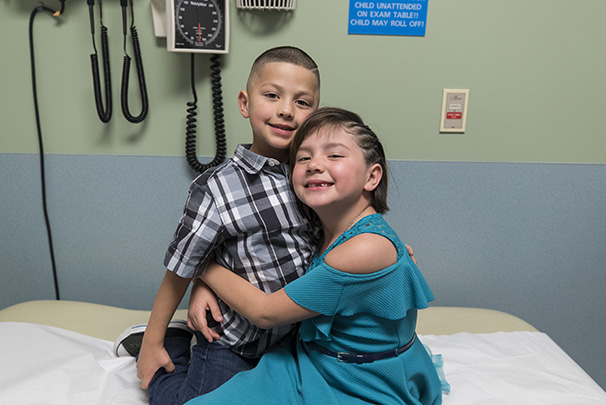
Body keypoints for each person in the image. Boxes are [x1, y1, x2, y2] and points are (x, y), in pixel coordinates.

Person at [186, 107, 443, 404]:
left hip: (360, 381)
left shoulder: (365, 247)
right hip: (318, 363)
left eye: (334, 155)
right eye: (303, 157)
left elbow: (265, 312)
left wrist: (201, 263)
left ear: (372, 177)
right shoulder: (321, 231)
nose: (314, 165)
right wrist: (201, 285)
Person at [113, 46, 322, 404]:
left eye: (302, 102)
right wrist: (153, 343)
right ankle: (177, 349)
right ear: (244, 103)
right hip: (233, 342)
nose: (286, 110)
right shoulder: (218, 187)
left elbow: (339, 234)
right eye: (272, 96)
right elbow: (182, 265)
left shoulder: (317, 175)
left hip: (294, 341)